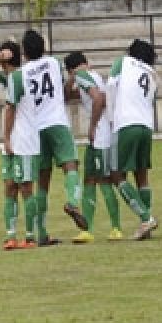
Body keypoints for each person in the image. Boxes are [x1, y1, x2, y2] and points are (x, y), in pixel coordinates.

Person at [4, 30, 87, 244]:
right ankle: (72, 201)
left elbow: (12, 105)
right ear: (43, 47)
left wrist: (7, 137)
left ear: (24, 52)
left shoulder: (20, 74)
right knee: (71, 166)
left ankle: (41, 233)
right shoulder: (53, 63)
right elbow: (62, 90)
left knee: (42, 182)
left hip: (35, 129)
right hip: (57, 122)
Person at [64, 51, 122, 243]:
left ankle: (116, 227)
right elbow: (68, 94)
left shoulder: (84, 76)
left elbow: (99, 99)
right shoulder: (90, 76)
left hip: (101, 136)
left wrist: (92, 125)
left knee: (104, 181)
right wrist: (72, 79)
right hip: (97, 138)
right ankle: (87, 229)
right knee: (89, 180)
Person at [0, 40, 38, 250]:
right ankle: (11, 235)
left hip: (23, 139)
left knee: (25, 187)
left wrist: (6, 138)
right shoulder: (9, 79)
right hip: (14, 140)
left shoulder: (19, 77)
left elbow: (10, 109)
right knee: (9, 186)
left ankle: (30, 236)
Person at [110, 38, 160, 240]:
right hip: (146, 126)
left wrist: (110, 119)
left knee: (116, 175)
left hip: (126, 123)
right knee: (141, 175)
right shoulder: (153, 74)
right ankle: (144, 225)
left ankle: (146, 217)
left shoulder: (122, 62)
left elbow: (111, 88)